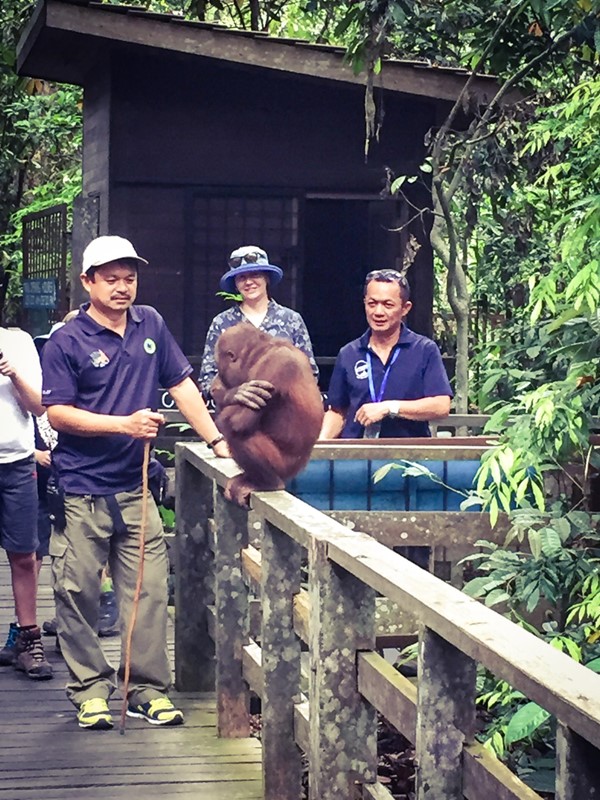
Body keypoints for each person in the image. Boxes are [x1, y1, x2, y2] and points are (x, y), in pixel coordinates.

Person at [41, 234, 229, 731]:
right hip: (81, 487)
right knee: (77, 590)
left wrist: (215, 440)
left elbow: (182, 383)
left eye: (129, 278)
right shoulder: (66, 341)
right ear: (88, 282)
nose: (123, 288)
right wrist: (123, 424)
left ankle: (145, 687)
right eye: (111, 279)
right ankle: (89, 689)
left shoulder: (151, 324)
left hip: (136, 485)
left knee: (146, 593)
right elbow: (56, 413)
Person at [320, 269, 452, 440]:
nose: (378, 312)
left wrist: (390, 408)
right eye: (372, 303)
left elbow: (441, 406)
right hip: (356, 456)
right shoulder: (349, 353)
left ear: (405, 308)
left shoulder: (424, 350)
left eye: (388, 305)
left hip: (408, 457)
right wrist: (320, 445)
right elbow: (338, 411)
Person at [0, 324, 53, 679]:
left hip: (16, 463)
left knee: (24, 554)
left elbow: (38, 406)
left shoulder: (18, 342)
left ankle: (28, 638)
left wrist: (13, 372)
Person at [199, 245, 318, 398]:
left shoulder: (290, 320)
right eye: (241, 277)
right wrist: (233, 394)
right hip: (236, 415)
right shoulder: (222, 323)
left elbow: (310, 374)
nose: (248, 282)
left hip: (282, 414)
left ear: (266, 278)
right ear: (235, 284)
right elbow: (207, 380)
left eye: (255, 275)